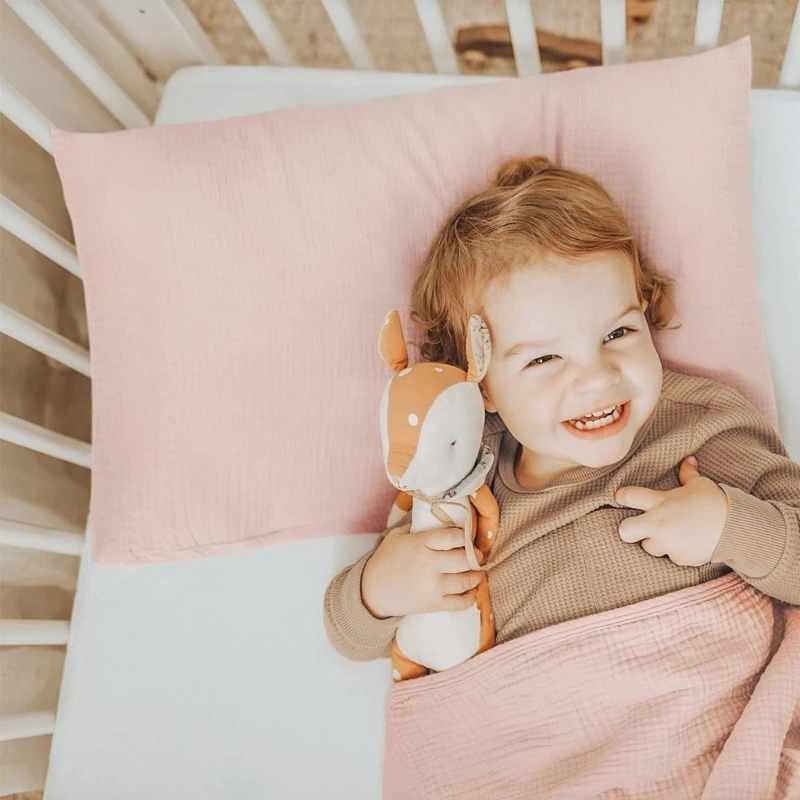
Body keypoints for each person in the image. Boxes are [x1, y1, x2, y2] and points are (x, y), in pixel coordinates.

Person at [324, 156, 799, 663]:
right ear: (479, 383)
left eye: (618, 332)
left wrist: (729, 525)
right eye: (544, 359)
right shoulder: (458, 472)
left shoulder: (702, 423)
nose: (597, 377)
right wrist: (379, 590)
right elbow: (347, 635)